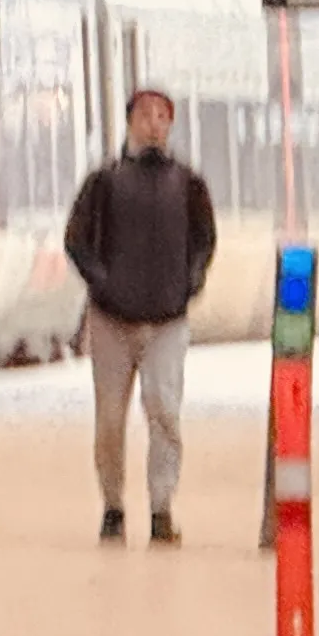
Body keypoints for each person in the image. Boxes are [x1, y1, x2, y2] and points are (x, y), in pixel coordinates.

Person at [63, 85, 215, 545]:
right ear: (130, 121)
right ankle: (112, 505)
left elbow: (205, 240)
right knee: (110, 417)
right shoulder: (104, 181)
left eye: (163, 116)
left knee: (165, 411)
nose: (154, 123)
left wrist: (189, 284)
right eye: (146, 115)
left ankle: (161, 509)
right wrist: (102, 283)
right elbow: (77, 240)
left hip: (168, 320)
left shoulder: (189, 185)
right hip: (111, 320)